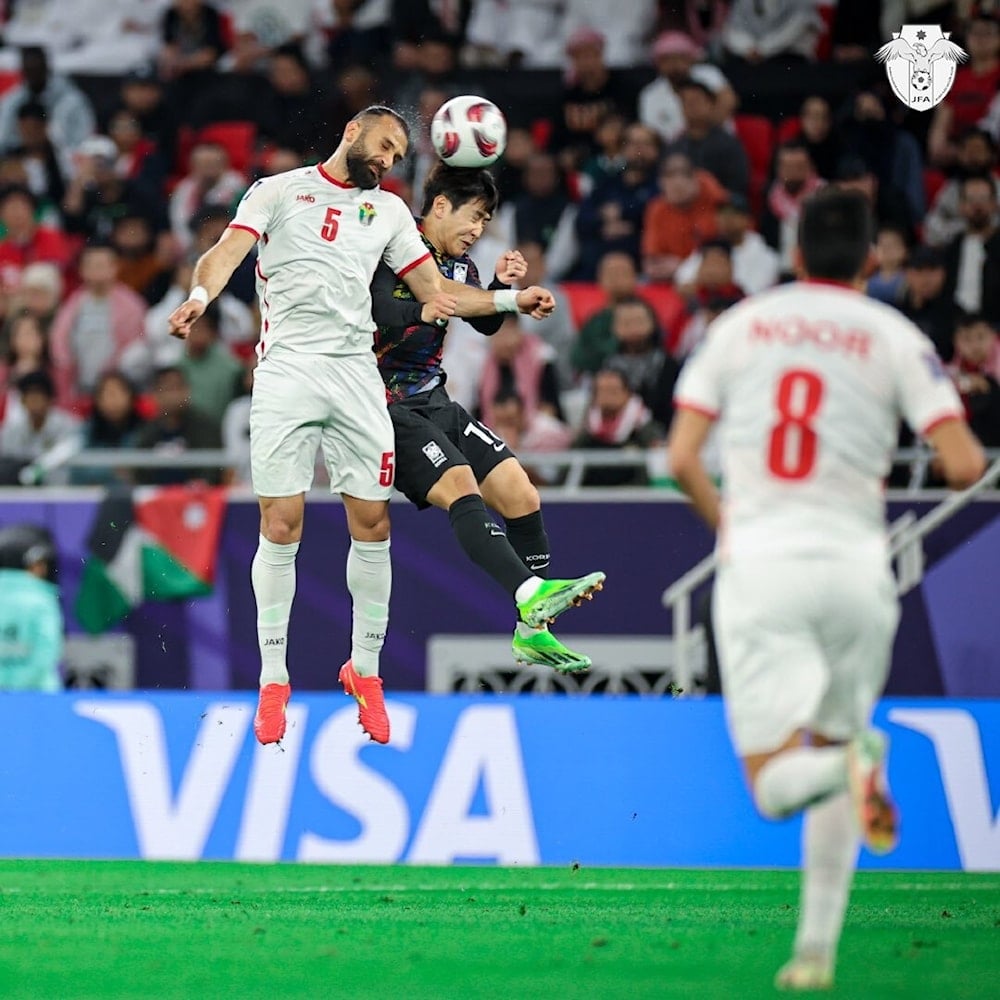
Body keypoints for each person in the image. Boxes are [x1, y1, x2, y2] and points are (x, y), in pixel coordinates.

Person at [167, 106, 571, 748]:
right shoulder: (278, 191)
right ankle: (275, 679)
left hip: (359, 378)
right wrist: (199, 297)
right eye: (382, 146)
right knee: (280, 524)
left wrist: (508, 299)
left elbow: (437, 289)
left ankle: (369, 672)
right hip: (287, 372)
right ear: (353, 132)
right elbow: (226, 252)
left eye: (396, 157)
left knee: (373, 523)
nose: (386, 162)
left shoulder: (385, 213)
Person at [667, 188, 986, 991]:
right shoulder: (896, 334)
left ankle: (849, 772)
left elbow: (679, 458)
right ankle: (815, 951)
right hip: (856, 570)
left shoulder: (741, 327)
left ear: (795, 254)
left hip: (764, 568)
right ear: (872, 262)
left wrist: (728, 525)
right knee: (840, 747)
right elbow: (963, 464)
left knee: (778, 784)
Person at [371, 164, 606, 673]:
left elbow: (484, 320)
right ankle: (530, 592)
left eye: (486, 220)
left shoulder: (460, 267)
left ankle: (531, 632)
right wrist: (422, 311)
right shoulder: (392, 245)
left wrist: (501, 286)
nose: (478, 230)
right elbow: (376, 310)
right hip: (380, 403)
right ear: (439, 206)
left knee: (521, 492)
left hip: (435, 400)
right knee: (461, 484)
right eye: (473, 217)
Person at [0, 524, 62, 691]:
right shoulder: (41, 601)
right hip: (37, 699)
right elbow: (46, 653)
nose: (43, 569)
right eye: (37, 564)